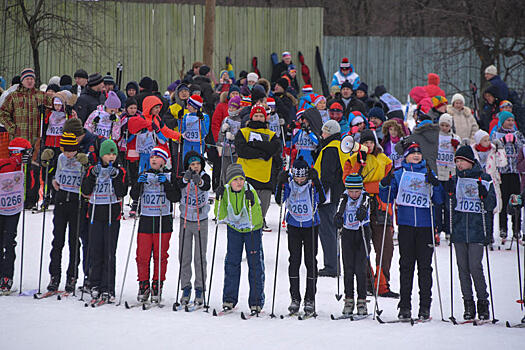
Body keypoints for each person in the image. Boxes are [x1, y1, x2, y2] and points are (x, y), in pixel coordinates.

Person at [379, 142, 444, 320]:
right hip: (406, 226)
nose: (416, 155)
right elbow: (387, 197)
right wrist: (384, 184)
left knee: (425, 267)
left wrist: (436, 184)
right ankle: (405, 306)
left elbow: (439, 199)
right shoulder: (399, 174)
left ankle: (425, 307)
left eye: (418, 153)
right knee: (406, 266)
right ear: (405, 156)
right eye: (412, 153)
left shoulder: (428, 173)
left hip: (425, 226)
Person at [343, 129, 398, 298]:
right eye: (365, 143)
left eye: (371, 143)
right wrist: (360, 166)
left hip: (381, 207)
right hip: (360, 208)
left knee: (385, 247)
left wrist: (371, 186)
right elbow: (348, 182)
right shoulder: (352, 160)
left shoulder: (385, 160)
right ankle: (367, 282)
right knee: (362, 246)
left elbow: (390, 184)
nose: (368, 145)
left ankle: (382, 284)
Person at [446, 145, 495, 320]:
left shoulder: (484, 178)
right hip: (459, 230)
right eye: (457, 161)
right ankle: (468, 303)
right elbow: (449, 205)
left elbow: (491, 205)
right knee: (462, 268)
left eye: (462, 161)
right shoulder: (455, 179)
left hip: (476, 230)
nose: (458, 164)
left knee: (475, 266)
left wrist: (485, 195)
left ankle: (483, 303)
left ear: (470, 162)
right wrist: (449, 193)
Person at [275, 157, 325, 315]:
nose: (300, 179)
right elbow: (278, 200)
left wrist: (317, 182)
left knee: (310, 262)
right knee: (294, 260)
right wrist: (279, 183)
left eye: (303, 176)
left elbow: (322, 199)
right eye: (297, 176)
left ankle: (310, 298)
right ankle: (295, 298)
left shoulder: (311, 185)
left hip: (311, 226)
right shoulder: (289, 184)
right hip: (294, 225)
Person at [130, 144, 180, 303]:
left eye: (157, 157)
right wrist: (138, 183)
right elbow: (134, 195)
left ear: (164, 161)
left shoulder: (169, 176)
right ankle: (143, 284)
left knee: (160, 255)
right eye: (152, 156)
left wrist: (166, 183)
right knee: (142, 255)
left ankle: (158, 284)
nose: (153, 159)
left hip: (163, 219)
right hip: (146, 218)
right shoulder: (144, 173)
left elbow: (175, 197)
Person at [82, 139, 128, 302]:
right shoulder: (93, 170)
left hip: (111, 216)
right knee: (95, 250)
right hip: (95, 214)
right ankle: (95, 284)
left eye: (114, 153)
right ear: (102, 155)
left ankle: (108, 287)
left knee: (109, 252)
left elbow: (122, 192)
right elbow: (85, 190)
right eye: (108, 153)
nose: (111, 156)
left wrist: (116, 178)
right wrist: (92, 176)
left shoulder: (120, 171)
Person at [215, 164, 264, 313]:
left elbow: (257, 217)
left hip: (251, 230)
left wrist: (253, 202)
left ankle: (256, 301)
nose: (239, 182)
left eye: (241, 179)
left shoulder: (250, 190)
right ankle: (229, 299)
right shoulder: (227, 191)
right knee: (231, 262)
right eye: (235, 180)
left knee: (255, 264)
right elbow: (220, 215)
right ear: (229, 181)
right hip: (235, 229)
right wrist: (218, 198)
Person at [44, 132, 89, 293]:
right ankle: (54, 276)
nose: (69, 154)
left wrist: (87, 165)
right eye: (66, 150)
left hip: (76, 202)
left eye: (72, 150)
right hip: (62, 200)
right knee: (57, 241)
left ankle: (72, 276)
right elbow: (54, 175)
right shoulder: (61, 158)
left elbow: (89, 180)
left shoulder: (82, 159)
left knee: (73, 241)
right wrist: (51, 176)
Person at [235, 105, 281, 231]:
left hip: (264, 178)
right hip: (246, 176)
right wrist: (263, 153)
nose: (259, 118)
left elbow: (275, 148)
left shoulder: (271, 134)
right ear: (251, 117)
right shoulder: (243, 132)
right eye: (256, 116)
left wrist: (255, 144)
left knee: (261, 210)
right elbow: (242, 151)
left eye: (261, 116)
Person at [176, 151, 211, 306]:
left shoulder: (204, 176)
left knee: (199, 256)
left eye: (197, 164)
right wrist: (185, 178)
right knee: (184, 255)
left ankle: (200, 287)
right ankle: (185, 287)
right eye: (192, 165)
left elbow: (207, 184)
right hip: (185, 220)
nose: (195, 167)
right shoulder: (184, 177)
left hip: (200, 221)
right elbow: (179, 186)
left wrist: (200, 182)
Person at [334, 174, 371, 316]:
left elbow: (366, 205)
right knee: (348, 268)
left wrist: (362, 211)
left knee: (360, 269)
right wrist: (337, 218)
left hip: (362, 233)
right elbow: (339, 209)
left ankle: (362, 301)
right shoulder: (344, 197)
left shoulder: (365, 196)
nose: (354, 194)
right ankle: (348, 299)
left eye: (357, 191)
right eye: (351, 191)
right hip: (348, 233)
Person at [313, 120, 346, 277]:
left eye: (324, 132)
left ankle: (332, 266)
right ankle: (333, 264)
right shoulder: (339, 146)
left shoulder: (330, 149)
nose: (322, 134)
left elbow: (327, 175)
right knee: (330, 229)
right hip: (335, 192)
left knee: (327, 230)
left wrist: (320, 193)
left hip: (327, 195)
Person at [0, 138, 32, 292]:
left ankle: (7, 276)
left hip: (14, 208)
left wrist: (28, 165)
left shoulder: (24, 167)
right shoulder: (5, 163)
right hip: (1, 207)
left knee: (9, 241)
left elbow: (31, 185)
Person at [490, 111, 525, 240]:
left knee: (516, 200)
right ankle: (502, 228)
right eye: (508, 120)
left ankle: (516, 228)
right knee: (503, 201)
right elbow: (493, 148)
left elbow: (522, 148)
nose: (510, 123)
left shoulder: (517, 134)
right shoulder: (496, 134)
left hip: (515, 172)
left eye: (512, 120)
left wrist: (516, 141)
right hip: (502, 173)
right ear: (502, 121)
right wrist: (502, 141)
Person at [128, 95, 181, 173]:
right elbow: (132, 127)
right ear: (149, 107)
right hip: (142, 153)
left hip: (155, 152)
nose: (158, 110)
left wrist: (179, 136)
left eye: (159, 107)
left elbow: (165, 131)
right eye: (156, 107)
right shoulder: (140, 119)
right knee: (142, 172)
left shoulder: (157, 118)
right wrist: (148, 124)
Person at [435, 114, 461, 242]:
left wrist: (456, 147)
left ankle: (449, 229)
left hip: (451, 174)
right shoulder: (436, 136)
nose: (444, 128)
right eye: (442, 125)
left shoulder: (455, 138)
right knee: (438, 203)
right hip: (438, 173)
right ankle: (438, 228)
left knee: (449, 203)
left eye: (447, 125)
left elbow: (459, 155)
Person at [472, 130, 506, 220]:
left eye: (488, 140)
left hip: (492, 181)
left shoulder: (493, 150)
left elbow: (502, 163)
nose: (488, 142)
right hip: (478, 181)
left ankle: (490, 230)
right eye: (485, 140)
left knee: (491, 205)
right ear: (479, 141)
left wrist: (501, 149)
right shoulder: (473, 151)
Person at [217, 96, 242, 183]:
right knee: (225, 172)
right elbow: (220, 135)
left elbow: (242, 136)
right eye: (230, 107)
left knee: (235, 172)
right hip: (226, 150)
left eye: (233, 107)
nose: (231, 109)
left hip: (235, 152)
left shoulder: (240, 120)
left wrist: (234, 137)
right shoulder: (226, 119)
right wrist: (223, 131)